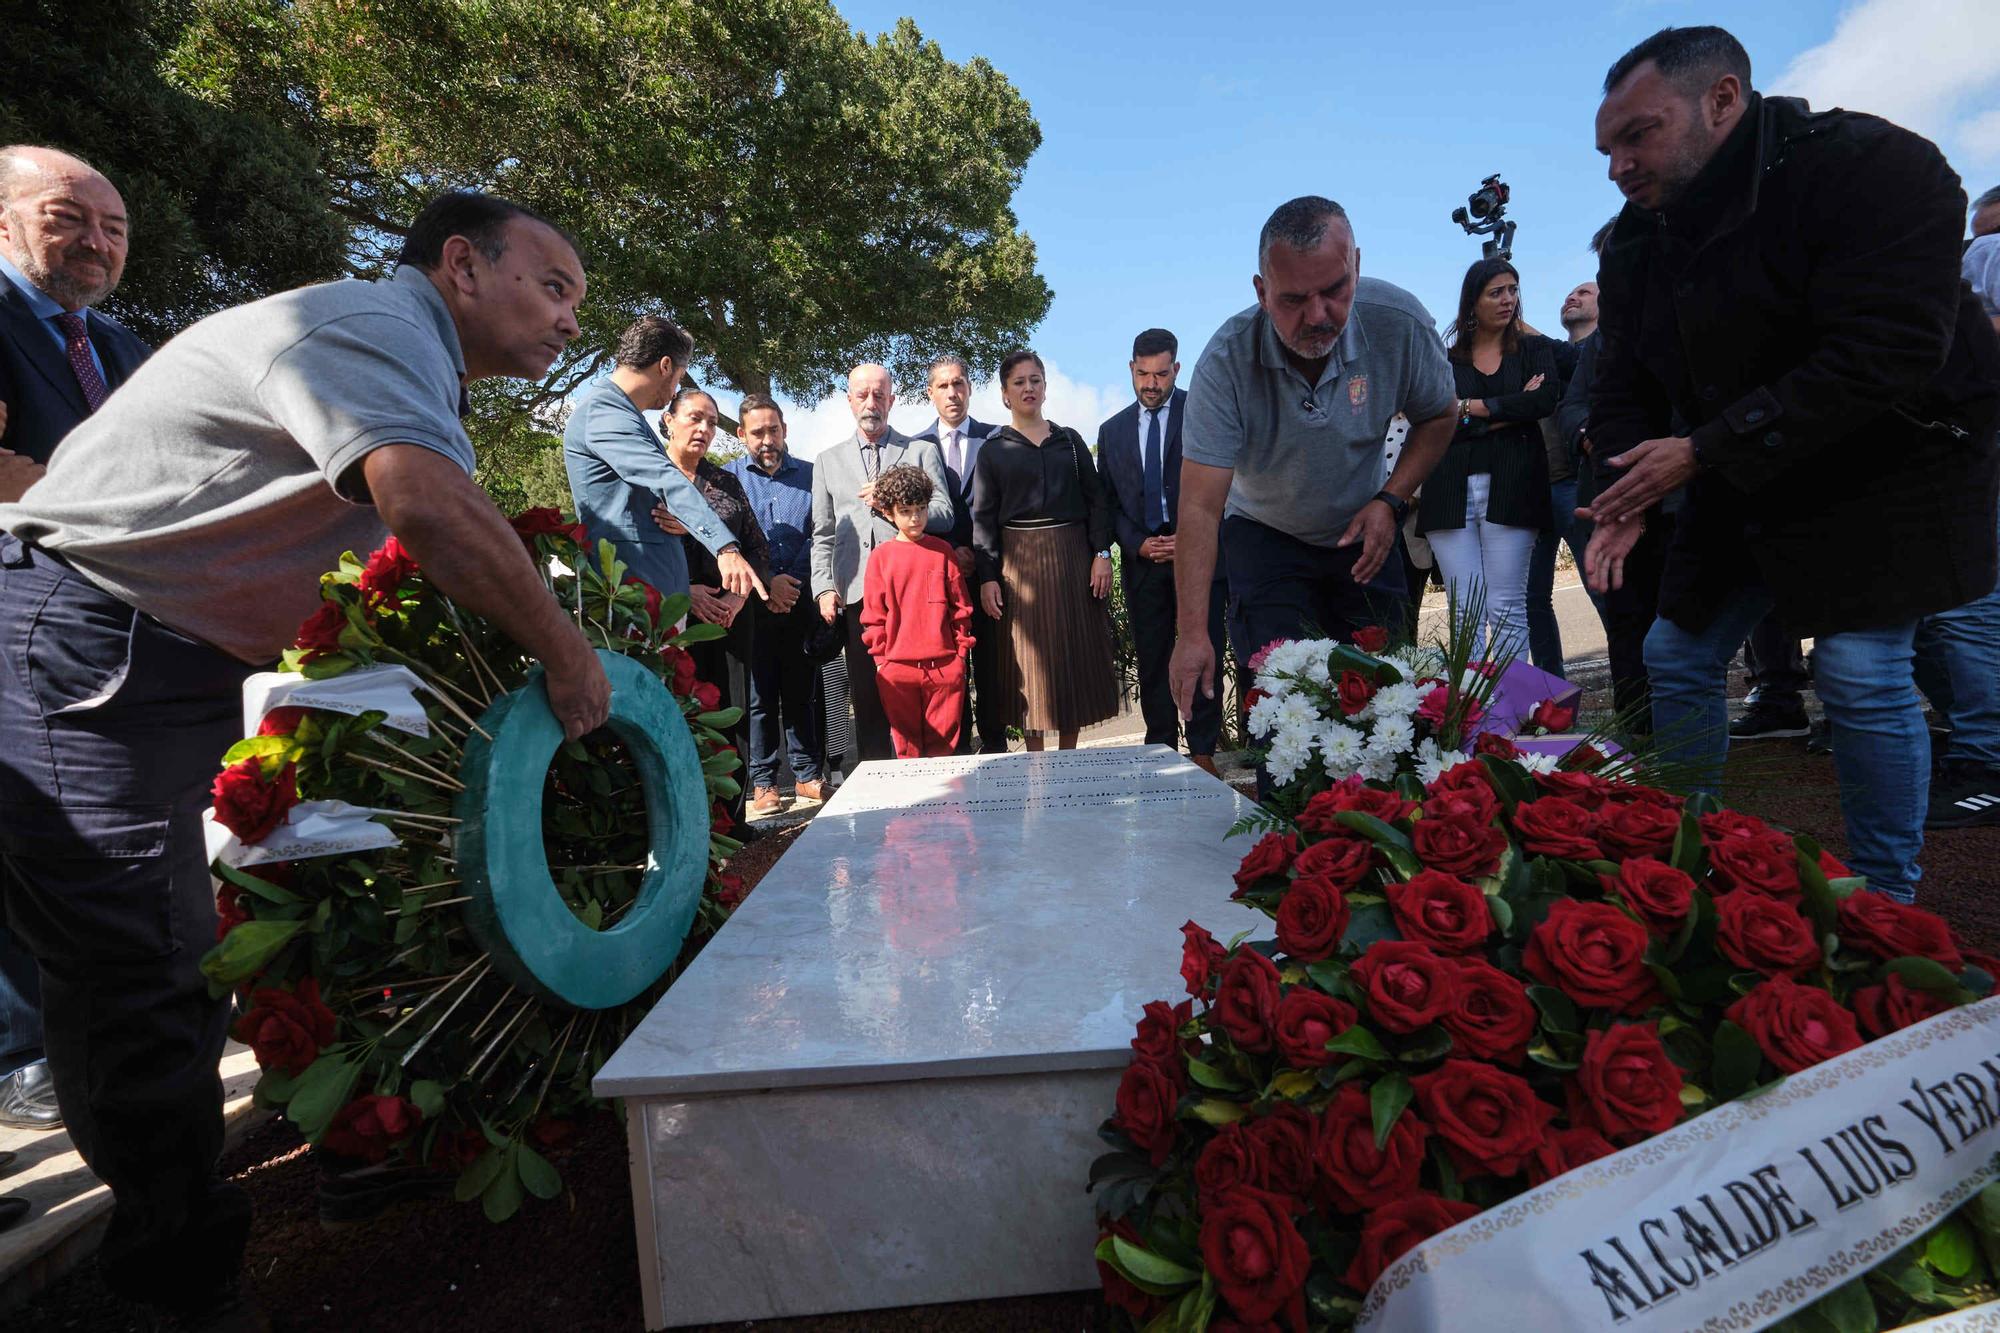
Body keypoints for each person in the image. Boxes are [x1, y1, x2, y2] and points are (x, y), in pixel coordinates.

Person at [0, 191, 608, 1322]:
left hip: (183, 657)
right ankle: (172, 1290)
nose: (573, 319)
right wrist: (570, 664)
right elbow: (425, 507)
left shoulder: (418, 365)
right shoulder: (369, 328)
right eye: (557, 285)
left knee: (325, 889)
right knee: (143, 968)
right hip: (88, 640)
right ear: (463, 266)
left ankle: (357, 1140)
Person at [1580, 27, 2000, 902]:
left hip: (1891, 451)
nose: (1618, 166)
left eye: (1638, 136)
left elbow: (1888, 353)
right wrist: (1626, 490)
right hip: (1744, 466)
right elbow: (1621, 375)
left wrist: (1699, 450)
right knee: (1675, 650)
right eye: (1608, 148)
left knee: (1858, 667)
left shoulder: (1877, 166)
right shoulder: (1633, 238)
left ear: (1723, 100)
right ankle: (1681, 857)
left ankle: (1886, 901)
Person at [1171, 196, 1457, 723]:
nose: (1318, 316)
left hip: (1364, 525)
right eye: (1294, 299)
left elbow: (1440, 416)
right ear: (1261, 291)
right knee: (1284, 705)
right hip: (1265, 532)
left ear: (1357, 267)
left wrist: (1390, 500)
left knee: (1390, 701)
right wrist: (1193, 634)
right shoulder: (1225, 363)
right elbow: (1199, 508)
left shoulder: (1400, 324)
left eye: (1334, 290)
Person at [0, 146, 150, 1148]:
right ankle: (20, 1055)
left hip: (121, 631)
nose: (95, 241)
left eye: (114, 227)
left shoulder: (130, 347)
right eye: (67, 218)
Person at [972, 348, 1119, 750]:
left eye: (1035, 380)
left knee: (1070, 656)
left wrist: (1101, 554)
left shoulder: (1069, 442)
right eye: (1018, 382)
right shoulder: (993, 451)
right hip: (1018, 566)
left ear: (1045, 386)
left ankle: (1068, 759)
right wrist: (987, 578)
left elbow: (1097, 503)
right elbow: (983, 521)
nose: (1028, 388)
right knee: (1029, 662)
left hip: (1074, 559)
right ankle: (1036, 765)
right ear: (1005, 393)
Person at [562, 314, 763, 604]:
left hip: (654, 596)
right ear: (666, 365)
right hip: (628, 596)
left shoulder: (628, 416)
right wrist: (725, 548)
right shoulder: (604, 412)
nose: (674, 392)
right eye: (679, 380)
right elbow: (666, 479)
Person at [1097, 328, 1228, 773]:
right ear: (1131, 370)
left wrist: (1191, 539)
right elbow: (1108, 503)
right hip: (1144, 562)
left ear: (1176, 369)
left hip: (1199, 555)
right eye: (1143, 374)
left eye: (1160, 374)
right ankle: (1161, 749)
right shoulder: (1111, 431)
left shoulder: (1204, 413)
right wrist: (1136, 543)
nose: (1151, 384)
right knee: (1152, 656)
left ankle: (1204, 749)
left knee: (1204, 648)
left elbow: (1227, 485)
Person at [810, 363, 954, 761]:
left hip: (916, 598)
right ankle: (875, 782)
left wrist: (894, 506)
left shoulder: (921, 451)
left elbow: (945, 513)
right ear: (849, 400)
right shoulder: (827, 461)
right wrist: (823, 586)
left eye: (879, 394)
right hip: (858, 597)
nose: (871, 403)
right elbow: (822, 533)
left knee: (927, 691)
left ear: (891, 399)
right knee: (868, 696)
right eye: (862, 395)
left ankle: (937, 775)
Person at [1420, 258, 1559, 663]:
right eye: (1496, 292)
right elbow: (1432, 420)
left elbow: (1542, 401)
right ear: (1472, 302)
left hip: (1514, 484)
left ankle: (1512, 716)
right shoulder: (1443, 360)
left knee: (1507, 607)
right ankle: (1468, 716)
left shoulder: (1534, 349)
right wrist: (1506, 411)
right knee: (1464, 611)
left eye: (1513, 290)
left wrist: (1467, 408)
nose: (1508, 300)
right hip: (1449, 490)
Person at [1912, 229, 2000, 827]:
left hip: (1974, 441)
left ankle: (1987, 758)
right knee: (1926, 614)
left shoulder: (1983, 254)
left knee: (1968, 607)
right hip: (1944, 447)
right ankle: (1976, 738)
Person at [663, 388, 775, 829]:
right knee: (682, 710)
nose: (705, 429)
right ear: (669, 421)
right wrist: (683, 591)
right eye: (694, 418)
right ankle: (689, 821)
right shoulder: (648, 477)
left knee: (733, 711)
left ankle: (731, 818)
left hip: (731, 616)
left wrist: (737, 597)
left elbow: (757, 550)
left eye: (712, 421)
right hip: (675, 615)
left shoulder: (726, 482)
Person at [725, 395, 827, 813]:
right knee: (758, 696)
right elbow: (729, 539)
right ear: (741, 435)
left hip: (800, 600)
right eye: (757, 432)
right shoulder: (727, 479)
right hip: (751, 605)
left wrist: (792, 584)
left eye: (773, 430)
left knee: (803, 693)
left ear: (785, 429)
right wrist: (768, 584)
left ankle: (807, 775)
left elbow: (822, 532)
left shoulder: (811, 475)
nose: (767, 439)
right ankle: (764, 782)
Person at [908, 354, 1006, 754]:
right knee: (949, 667)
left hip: (990, 574)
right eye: (944, 385)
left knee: (992, 664)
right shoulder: (914, 447)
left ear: (969, 388)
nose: (953, 392)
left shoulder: (997, 438)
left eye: (959, 383)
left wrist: (983, 565)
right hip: (939, 575)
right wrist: (951, 553)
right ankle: (959, 749)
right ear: (930, 392)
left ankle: (997, 746)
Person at [861, 464, 975, 758]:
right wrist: (882, 663)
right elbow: (874, 617)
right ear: (889, 512)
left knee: (944, 751)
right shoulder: (880, 558)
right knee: (907, 751)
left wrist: (959, 658)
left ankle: (949, 806)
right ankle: (913, 806)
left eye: (921, 508)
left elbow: (960, 608)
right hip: (898, 670)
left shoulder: (943, 551)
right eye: (906, 510)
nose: (915, 517)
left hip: (944, 668)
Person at [1523, 280, 1599, 675]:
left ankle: (1636, 687)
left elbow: (1571, 357)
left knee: (1600, 588)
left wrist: (1514, 318)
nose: (1572, 296)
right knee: (1533, 599)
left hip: (1576, 485)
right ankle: (1551, 694)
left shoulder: (1597, 350)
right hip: (1537, 489)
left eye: (1585, 293)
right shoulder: (1545, 358)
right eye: (1568, 292)